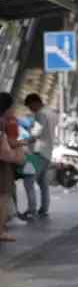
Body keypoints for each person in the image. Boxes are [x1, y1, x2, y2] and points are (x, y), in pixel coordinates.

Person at [23, 93, 57, 218]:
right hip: (48, 151)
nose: (30, 110)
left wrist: (25, 140)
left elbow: (36, 133)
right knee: (43, 182)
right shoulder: (52, 112)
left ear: (35, 102)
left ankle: (32, 210)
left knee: (28, 180)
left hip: (38, 152)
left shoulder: (41, 114)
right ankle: (44, 208)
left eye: (30, 106)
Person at [0, 92, 21, 242]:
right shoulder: (4, 122)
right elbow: (8, 144)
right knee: (3, 197)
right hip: (2, 164)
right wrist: (23, 144)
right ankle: (0, 231)